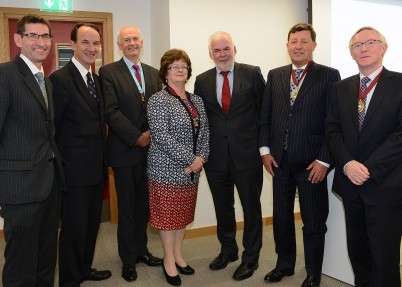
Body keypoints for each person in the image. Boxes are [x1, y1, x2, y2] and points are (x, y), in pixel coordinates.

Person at [259, 23, 340, 287]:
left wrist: (325, 159)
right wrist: (265, 151)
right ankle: (284, 266)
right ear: (287, 46)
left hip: (312, 164)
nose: (298, 46)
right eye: (294, 41)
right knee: (281, 219)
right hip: (279, 163)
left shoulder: (329, 76)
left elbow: (334, 122)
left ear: (314, 46)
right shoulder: (275, 75)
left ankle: (313, 274)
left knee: (314, 223)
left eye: (304, 41)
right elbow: (265, 118)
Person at [326, 26, 401, 287]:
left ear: (384, 48)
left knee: (385, 259)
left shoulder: (400, 84)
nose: (364, 48)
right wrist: (347, 164)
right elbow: (332, 131)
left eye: (371, 42)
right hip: (351, 187)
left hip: (386, 186)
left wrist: (367, 168)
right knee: (358, 255)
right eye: (357, 45)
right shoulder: (341, 88)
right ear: (351, 54)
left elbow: (400, 135)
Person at [194, 31, 265, 281]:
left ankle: (251, 257)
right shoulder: (202, 80)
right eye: (217, 50)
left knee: (251, 208)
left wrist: (264, 149)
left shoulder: (252, 72)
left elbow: (264, 113)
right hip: (216, 158)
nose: (222, 54)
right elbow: (200, 121)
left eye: (226, 49)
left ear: (235, 49)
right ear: (210, 54)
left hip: (247, 155)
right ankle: (228, 250)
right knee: (223, 208)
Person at [0, 14, 64, 286]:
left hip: (49, 186)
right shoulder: (5, 75)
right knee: (21, 265)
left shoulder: (45, 80)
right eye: (33, 36)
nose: (41, 42)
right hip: (20, 188)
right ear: (18, 39)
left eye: (45, 36)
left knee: (45, 259)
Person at [99, 25, 162, 282]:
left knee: (143, 208)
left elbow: (158, 108)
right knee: (126, 208)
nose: (132, 43)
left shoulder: (153, 72)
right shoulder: (108, 72)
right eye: (127, 40)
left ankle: (141, 250)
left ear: (142, 42)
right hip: (125, 151)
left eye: (135, 38)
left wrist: (151, 134)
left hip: (151, 152)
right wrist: (137, 136)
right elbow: (111, 112)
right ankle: (127, 259)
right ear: (119, 45)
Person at [49, 23, 111, 286]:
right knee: (74, 229)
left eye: (96, 43)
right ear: (72, 45)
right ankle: (70, 278)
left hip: (96, 169)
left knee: (91, 225)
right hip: (73, 172)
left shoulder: (95, 80)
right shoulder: (60, 80)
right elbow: (53, 128)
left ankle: (85, 267)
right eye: (85, 42)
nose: (92, 48)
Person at [147, 48, 210, 286]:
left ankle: (178, 255)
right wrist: (190, 160)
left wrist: (201, 158)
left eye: (184, 65)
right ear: (165, 73)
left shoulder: (197, 100)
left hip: (191, 171)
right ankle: (168, 260)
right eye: (175, 66)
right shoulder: (158, 100)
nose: (180, 69)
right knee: (168, 219)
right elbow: (161, 136)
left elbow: (205, 132)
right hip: (165, 170)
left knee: (182, 217)